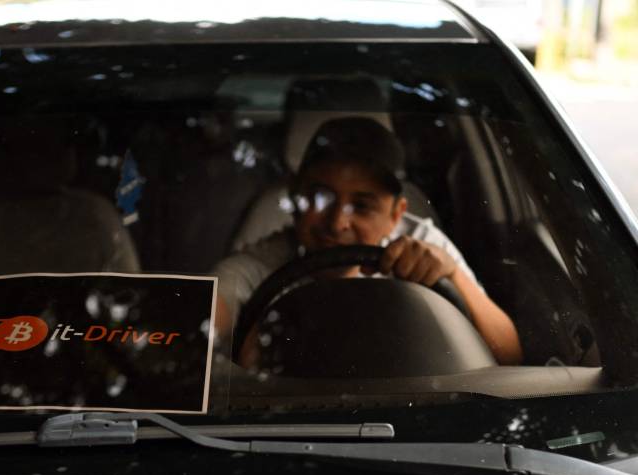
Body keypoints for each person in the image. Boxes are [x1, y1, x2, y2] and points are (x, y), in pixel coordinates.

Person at [214, 116, 523, 365]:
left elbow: (508, 356)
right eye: (321, 198)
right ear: (297, 198)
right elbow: (209, 315)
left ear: (396, 213)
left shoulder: (424, 244)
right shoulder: (264, 262)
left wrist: (452, 273)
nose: (337, 223)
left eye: (362, 206)